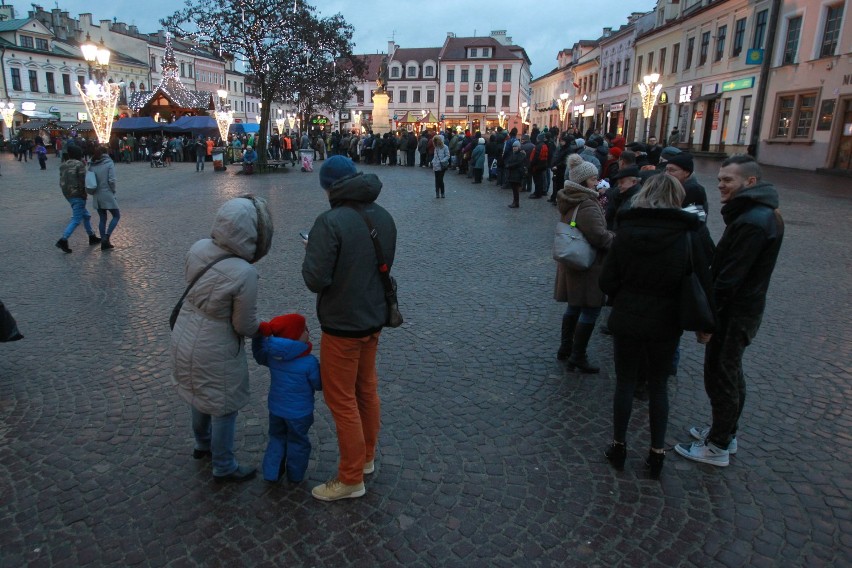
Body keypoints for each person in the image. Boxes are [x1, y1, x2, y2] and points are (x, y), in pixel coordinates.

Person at [600, 174, 714, 479]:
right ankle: (656, 452)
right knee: (659, 385)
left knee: (625, 382)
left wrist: (623, 292)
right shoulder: (690, 233)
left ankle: (619, 445)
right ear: (678, 198)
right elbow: (703, 278)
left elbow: (607, 279)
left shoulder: (627, 229)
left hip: (627, 314)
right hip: (666, 320)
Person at [676, 155, 784, 467]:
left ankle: (719, 445)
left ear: (750, 182)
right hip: (743, 309)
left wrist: (708, 318)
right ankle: (725, 432)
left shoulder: (753, 221)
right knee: (730, 371)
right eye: (720, 179)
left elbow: (729, 278)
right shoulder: (758, 214)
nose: (721, 185)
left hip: (735, 312)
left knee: (721, 374)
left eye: (728, 180)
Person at [302, 155, 397, 502]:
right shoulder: (383, 216)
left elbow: (316, 279)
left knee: (341, 399)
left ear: (329, 186)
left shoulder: (330, 222)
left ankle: (350, 477)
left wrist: (313, 249)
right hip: (373, 317)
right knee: (366, 390)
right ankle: (366, 458)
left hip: (343, 322)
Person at [171, 195, 274, 483]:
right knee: (223, 404)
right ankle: (224, 465)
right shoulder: (244, 272)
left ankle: (201, 444)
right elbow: (243, 324)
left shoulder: (198, 248)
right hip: (216, 344)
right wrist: (264, 330)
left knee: (200, 394)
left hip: (186, 330)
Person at [554, 154, 614, 371]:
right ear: (582, 181)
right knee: (590, 309)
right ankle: (577, 355)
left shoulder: (570, 197)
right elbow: (598, 236)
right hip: (588, 265)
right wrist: (617, 238)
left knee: (574, 306)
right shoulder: (587, 204)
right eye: (592, 179)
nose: (597, 182)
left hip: (573, 261)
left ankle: (565, 348)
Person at [252, 313, 321, 483]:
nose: (308, 330)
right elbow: (319, 384)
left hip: (276, 409)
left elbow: (259, 354)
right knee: (298, 442)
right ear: (296, 337)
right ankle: (295, 476)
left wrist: (259, 336)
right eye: (304, 329)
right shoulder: (309, 362)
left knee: (276, 438)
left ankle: (271, 473)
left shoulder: (274, 356)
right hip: (299, 413)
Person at [55, 145, 101, 253]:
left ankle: (91, 236)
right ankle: (63, 239)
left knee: (86, 216)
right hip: (78, 195)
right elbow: (82, 180)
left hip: (68, 195)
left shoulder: (63, 165)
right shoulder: (79, 165)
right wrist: (84, 194)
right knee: (76, 219)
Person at [88, 145, 120, 251]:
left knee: (102, 218)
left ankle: (103, 240)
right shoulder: (109, 163)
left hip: (97, 194)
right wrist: (113, 190)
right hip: (107, 193)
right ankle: (106, 237)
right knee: (116, 215)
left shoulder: (92, 164)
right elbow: (111, 180)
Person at [663, 152, 709, 220]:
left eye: (672, 170)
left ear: (686, 173)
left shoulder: (692, 190)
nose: (666, 174)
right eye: (666, 170)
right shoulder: (675, 186)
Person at [504, 140, 526, 208]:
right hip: (512, 173)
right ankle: (515, 202)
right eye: (513, 147)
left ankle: (516, 203)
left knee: (516, 189)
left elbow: (518, 163)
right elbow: (509, 161)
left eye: (515, 147)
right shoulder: (513, 153)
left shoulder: (521, 154)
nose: (514, 148)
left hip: (517, 174)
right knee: (514, 189)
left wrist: (509, 166)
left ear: (519, 147)